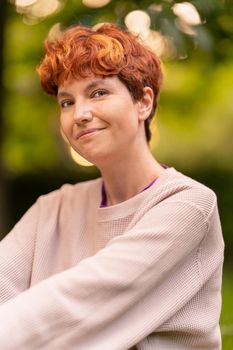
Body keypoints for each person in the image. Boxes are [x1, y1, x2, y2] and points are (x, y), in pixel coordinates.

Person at [0, 23, 224, 350]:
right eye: (67, 102)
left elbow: (73, 306)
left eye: (98, 93)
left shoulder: (188, 206)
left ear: (143, 103)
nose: (80, 114)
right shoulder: (53, 207)